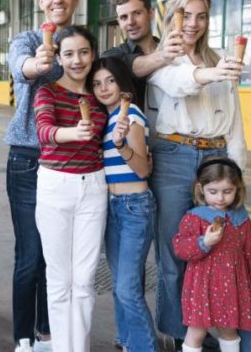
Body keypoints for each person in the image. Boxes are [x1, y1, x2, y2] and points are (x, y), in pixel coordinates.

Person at [148, 0, 247, 351]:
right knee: (176, 254)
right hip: (174, 156)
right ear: (173, 15)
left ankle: (221, 334)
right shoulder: (163, 59)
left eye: (201, 15)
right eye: (185, 15)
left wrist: (236, 172)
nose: (193, 23)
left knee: (224, 252)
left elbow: (234, 121)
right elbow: (181, 84)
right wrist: (213, 73)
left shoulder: (221, 58)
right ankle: (181, 336)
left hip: (216, 157)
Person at [6, 0, 80, 352]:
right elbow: (22, 66)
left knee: (60, 256)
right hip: (30, 158)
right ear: (40, 1)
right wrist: (39, 62)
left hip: (74, 161)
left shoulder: (83, 43)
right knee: (31, 254)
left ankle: (48, 332)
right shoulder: (29, 39)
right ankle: (24, 337)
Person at [34, 26, 108, 352]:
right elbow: (44, 131)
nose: (77, 60)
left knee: (84, 280)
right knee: (59, 279)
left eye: (84, 52)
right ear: (59, 58)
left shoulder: (101, 96)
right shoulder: (46, 91)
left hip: (94, 187)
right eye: (69, 53)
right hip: (55, 186)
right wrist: (71, 133)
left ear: (93, 54)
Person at [88, 57, 158, 351]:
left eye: (110, 81)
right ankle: (127, 340)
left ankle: (144, 346)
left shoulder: (131, 117)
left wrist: (121, 146)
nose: (103, 88)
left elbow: (143, 169)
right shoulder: (109, 119)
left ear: (122, 83)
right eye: (97, 83)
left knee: (128, 288)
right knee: (119, 285)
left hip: (134, 207)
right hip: (113, 206)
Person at [173, 156, 251, 352]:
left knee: (229, 331)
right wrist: (204, 242)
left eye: (227, 191)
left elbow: (248, 252)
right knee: (196, 332)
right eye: (213, 192)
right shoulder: (195, 217)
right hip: (201, 285)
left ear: (237, 189)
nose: (220, 198)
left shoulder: (242, 219)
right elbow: (180, 248)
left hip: (233, 285)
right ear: (201, 189)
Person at [101, 0, 159, 111]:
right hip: (133, 127)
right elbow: (128, 64)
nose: (131, 22)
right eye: (124, 17)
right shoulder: (111, 56)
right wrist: (166, 56)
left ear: (151, 13)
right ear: (119, 22)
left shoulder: (166, 48)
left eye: (137, 13)